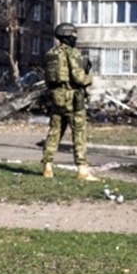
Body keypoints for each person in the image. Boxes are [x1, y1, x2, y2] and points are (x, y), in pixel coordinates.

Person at [40, 22, 99, 181]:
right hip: (73, 98)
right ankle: (82, 170)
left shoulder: (50, 53)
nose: (75, 39)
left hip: (56, 97)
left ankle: (47, 166)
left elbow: (49, 78)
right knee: (79, 133)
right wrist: (89, 77)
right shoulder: (73, 53)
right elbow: (79, 78)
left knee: (54, 132)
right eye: (73, 36)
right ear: (68, 36)